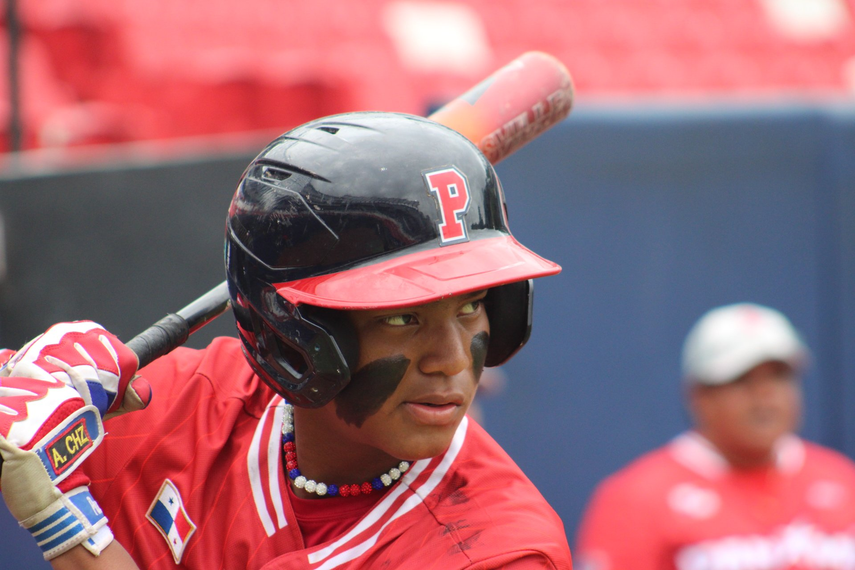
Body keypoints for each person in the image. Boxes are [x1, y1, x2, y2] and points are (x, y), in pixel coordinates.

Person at [0, 112, 573, 569]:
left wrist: (68, 527)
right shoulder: (193, 404)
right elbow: (21, 425)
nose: (453, 360)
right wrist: (32, 382)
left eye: (471, 307)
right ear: (295, 338)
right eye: (403, 319)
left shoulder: (498, 552)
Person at [575, 302, 855, 570]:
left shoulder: (843, 479)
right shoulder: (635, 498)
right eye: (742, 379)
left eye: (779, 377)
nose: (765, 395)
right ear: (699, 396)